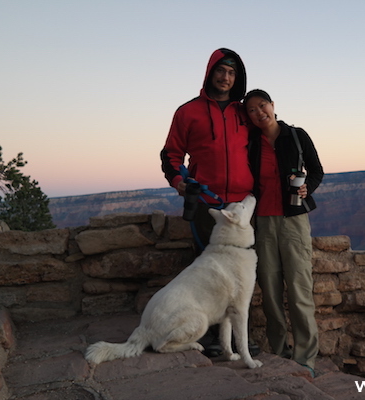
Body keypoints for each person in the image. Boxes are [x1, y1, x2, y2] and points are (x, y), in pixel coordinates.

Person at [160, 48, 255, 358]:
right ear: (210, 72)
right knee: (209, 273)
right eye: (221, 71)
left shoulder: (245, 113)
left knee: (240, 277)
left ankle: (239, 340)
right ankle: (213, 338)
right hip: (207, 205)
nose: (225, 78)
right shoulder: (188, 112)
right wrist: (179, 183)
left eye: (231, 73)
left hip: (242, 206)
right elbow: (170, 156)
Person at [244, 89, 323, 376]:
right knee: (270, 292)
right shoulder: (251, 143)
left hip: (293, 222)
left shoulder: (297, 136)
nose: (258, 113)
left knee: (300, 289)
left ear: (273, 105)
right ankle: (279, 353)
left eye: (261, 105)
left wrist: (306, 188)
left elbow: (316, 171)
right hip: (263, 223)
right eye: (251, 110)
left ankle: (305, 359)